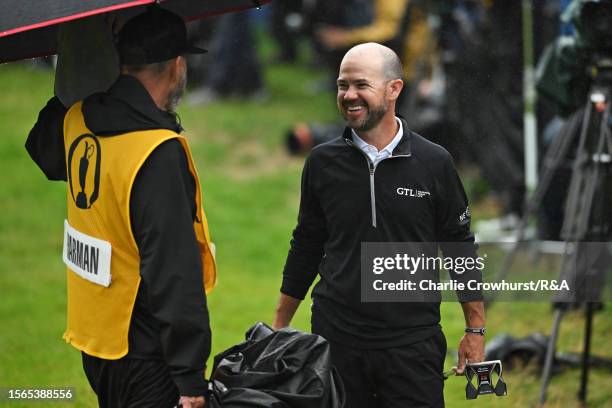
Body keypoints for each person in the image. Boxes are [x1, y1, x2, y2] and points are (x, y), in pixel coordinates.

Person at [272, 42, 485, 408]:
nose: (349, 95)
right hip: (337, 342)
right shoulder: (322, 163)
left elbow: (459, 247)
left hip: (411, 346)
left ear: (394, 89)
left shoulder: (434, 162)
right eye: (342, 85)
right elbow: (306, 244)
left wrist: (475, 330)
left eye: (360, 85)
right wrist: (278, 328)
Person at [25, 7, 216, 408]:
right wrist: (190, 377)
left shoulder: (78, 118)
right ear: (177, 65)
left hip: (96, 343)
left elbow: (41, 149)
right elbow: (173, 270)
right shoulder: (157, 152)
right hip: (146, 352)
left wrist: (79, 55)